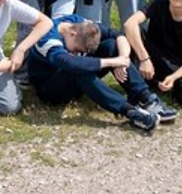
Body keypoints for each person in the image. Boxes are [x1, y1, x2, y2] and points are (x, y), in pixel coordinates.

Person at [27, 15, 164, 133]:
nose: (76, 52)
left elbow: (117, 35)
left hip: (73, 78)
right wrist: (112, 62)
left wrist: (123, 59)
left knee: (111, 45)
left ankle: (143, 96)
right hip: (50, 88)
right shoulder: (48, 38)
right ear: (72, 33)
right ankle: (129, 111)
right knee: (79, 69)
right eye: (76, 49)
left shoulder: (80, 23)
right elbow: (70, 63)